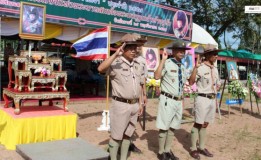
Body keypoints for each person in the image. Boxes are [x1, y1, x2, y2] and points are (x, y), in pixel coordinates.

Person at [97, 37, 146, 160]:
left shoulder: (138, 64)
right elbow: (100, 69)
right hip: (121, 105)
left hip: (134, 105)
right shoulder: (116, 63)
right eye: (130, 48)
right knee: (116, 136)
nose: (133, 50)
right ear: (123, 49)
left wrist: (140, 103)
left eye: (135, 48)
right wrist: (115, 55)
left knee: (127, 136)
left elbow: (139, 84)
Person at [154, 43, 190, 160]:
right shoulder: (167, 63)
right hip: (168, 99)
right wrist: (163, 60)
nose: (182, 52)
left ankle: (167, 150)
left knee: (173, 127)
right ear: (173, 51)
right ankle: (161, 152)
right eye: (179, 50)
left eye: (183, 51)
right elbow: (157, 76)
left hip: (178, 101)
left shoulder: (183, 67)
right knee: (164, 127)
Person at [188, 49, 222, 159]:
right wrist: (195, 68)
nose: (216, 56)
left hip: (212, 99)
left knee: (205, 124)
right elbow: (191, 82)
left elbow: (217, 82)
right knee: (198, 123)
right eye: (214, 54)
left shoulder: (215, 69)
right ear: (207, 55)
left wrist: (218, 85)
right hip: (202, 99)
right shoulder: (200, 67)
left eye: (217, 54)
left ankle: (201, 147)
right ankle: (193, 149)